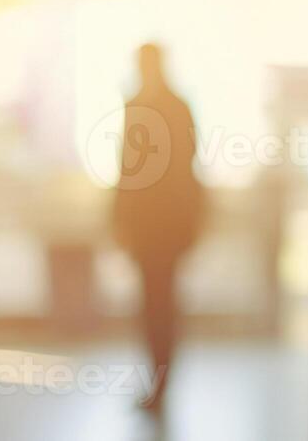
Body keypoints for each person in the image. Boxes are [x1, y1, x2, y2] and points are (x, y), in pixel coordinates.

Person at [111, 42, 206, 414]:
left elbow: (187, 168)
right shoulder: (142, 106)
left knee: (161, 305)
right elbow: (128, 170)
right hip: (150, 227)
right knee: (153, 306)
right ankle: (158, 381)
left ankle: (162, 383)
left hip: (166, 226)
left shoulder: (169, 107)